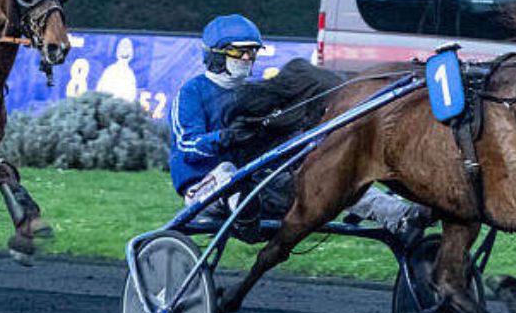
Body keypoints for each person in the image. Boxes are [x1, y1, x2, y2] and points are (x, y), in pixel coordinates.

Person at [168, 14, 429, 242]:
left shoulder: (253, 92)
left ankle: (401, 215)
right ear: (216, 53)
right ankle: (244, 217)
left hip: (258, 186)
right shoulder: (192, 93)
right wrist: (225, 138)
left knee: (328, 174)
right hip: (204, 191)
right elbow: (187, 146)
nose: (248, 58)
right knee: (228, 172)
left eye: (252, 51)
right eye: (239, 52)